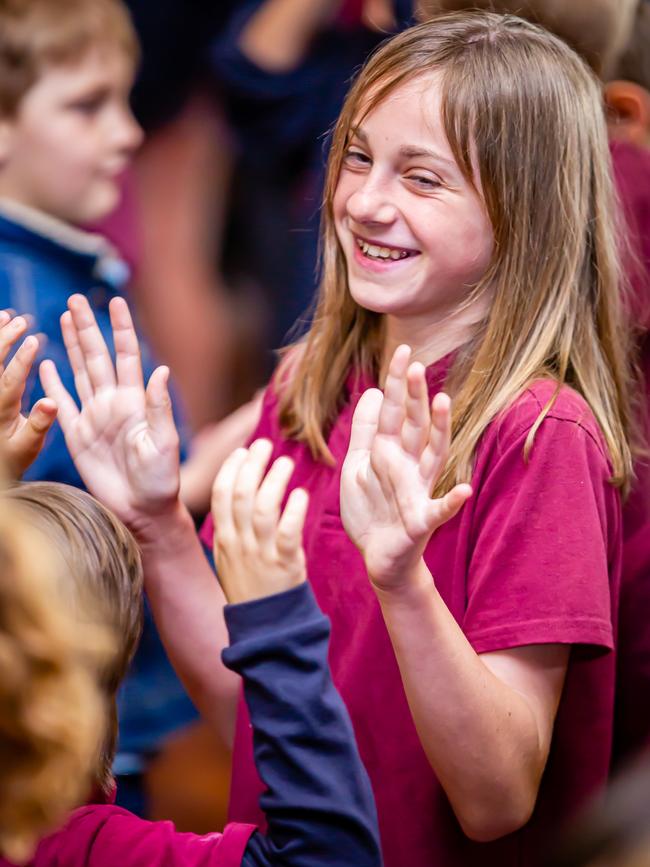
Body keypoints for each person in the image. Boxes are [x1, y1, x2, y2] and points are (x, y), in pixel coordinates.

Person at [41, 11, 633, 867]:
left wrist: (402, 580)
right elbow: (258, 717)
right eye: (356, 156)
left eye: (422, 178)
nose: (363, 200)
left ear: (525, 209)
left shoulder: (540, 437)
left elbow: (496, 799)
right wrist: (160, 522)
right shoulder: (314, 384)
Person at [0, 0, 197, 811]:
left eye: (125, 99)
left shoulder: (63, 266)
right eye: (87, 105)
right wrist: (215, 461)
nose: (128, 132)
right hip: (70, 716)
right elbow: (56, 528)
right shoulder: (23, 307)